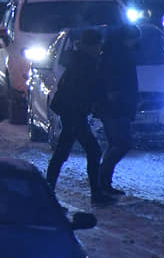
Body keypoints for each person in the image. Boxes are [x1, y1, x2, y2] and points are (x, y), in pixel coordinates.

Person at [45, 28, 114, 205]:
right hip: (74, 112)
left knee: (64, 151)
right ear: (92, 45)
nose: (100, 48)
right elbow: (86, 89)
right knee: (90, 151)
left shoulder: (79, 60)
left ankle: (48, 190)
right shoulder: (85, 63)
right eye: (98, 44)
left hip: (73, 112)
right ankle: (95, 195)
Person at [97, 25, 140, 196]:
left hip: (116, 106)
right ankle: (102, 179)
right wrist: (115, 95)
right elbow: (116, 79)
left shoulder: (115, 52)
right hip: (116, 107)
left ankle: (103, 181)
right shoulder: (118, 54)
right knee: (122, 143)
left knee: (116, 143)